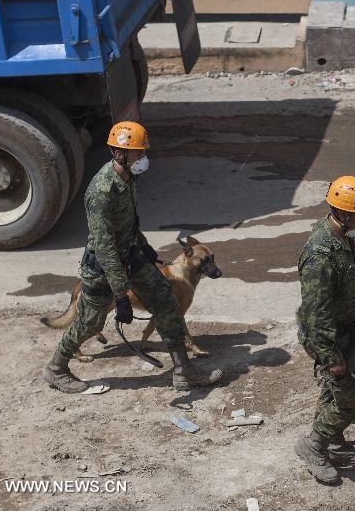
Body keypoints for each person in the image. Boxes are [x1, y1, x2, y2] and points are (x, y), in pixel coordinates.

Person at [42, 121, 222, 394]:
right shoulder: (101, 192)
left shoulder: (130, 178)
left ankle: (184, 371)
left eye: (143, 152)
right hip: (104, 269)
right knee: (89, 323)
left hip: (131, 257)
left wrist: (145, 248)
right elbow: (105, 249)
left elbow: (130, 224)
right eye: (138, 153)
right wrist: (121, 296)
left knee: (167, 302)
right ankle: (56, 369)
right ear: (119, 154)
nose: (143, 158)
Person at [294, 176, 355, 485]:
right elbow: (315, 313)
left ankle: (335, 444)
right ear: (344, 213)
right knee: (354, 401)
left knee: (334, 391)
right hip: (327, 338)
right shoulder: (319, 255)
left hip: (344, 329)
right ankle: (312, 446)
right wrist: (329, 356)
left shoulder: (342, 237)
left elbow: (346, 281)